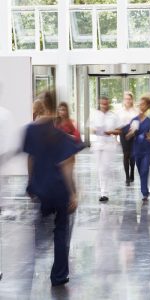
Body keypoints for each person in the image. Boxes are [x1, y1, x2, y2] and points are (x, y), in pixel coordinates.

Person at [22, 91, 82, 286]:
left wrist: (31, 183)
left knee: (40, 228)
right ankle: (59, 275)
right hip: (59, 190)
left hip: (42, 187)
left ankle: (28, 265)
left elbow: (31, 159)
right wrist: (73, 193)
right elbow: (67, 165)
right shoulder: (60, 135)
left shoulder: (30, 130)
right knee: (61, 231)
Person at [89, 95, 121, 202]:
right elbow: (90, 128)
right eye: (102, 104)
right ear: (99, 103)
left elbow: (119, 130)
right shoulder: (94, 114)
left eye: (106, 103)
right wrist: (95, 130)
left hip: (109, 145)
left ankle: (104, 193)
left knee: (105, 168)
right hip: (98, 144)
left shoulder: (113, 116)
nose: (104, 105)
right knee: (100, 168)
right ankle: (102, 190)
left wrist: (110, 132)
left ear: (108, 103)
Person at [126, 94, 150, 201]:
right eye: (140, 104)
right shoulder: (134, 120)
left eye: (143, 104)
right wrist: (131, 133)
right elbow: (128, 136)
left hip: (147, 149)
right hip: (137, 149)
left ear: (147, 106)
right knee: (140, 171)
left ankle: (145, 192)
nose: (141, 106)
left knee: (144, 170)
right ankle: (145, 190)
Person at [117, 91, 138, 186]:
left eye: (129, 99)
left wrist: (133, 130)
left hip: (134, 134)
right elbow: (117, 124)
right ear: (123, 100)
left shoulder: (135, 111)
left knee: (132, 155)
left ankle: (132, 172)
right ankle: (127, 177)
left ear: (132, 100)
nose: (127, 100)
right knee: (126, 155)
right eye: (126, 99)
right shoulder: (120, 111)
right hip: (123, 134)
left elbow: (138, 122)